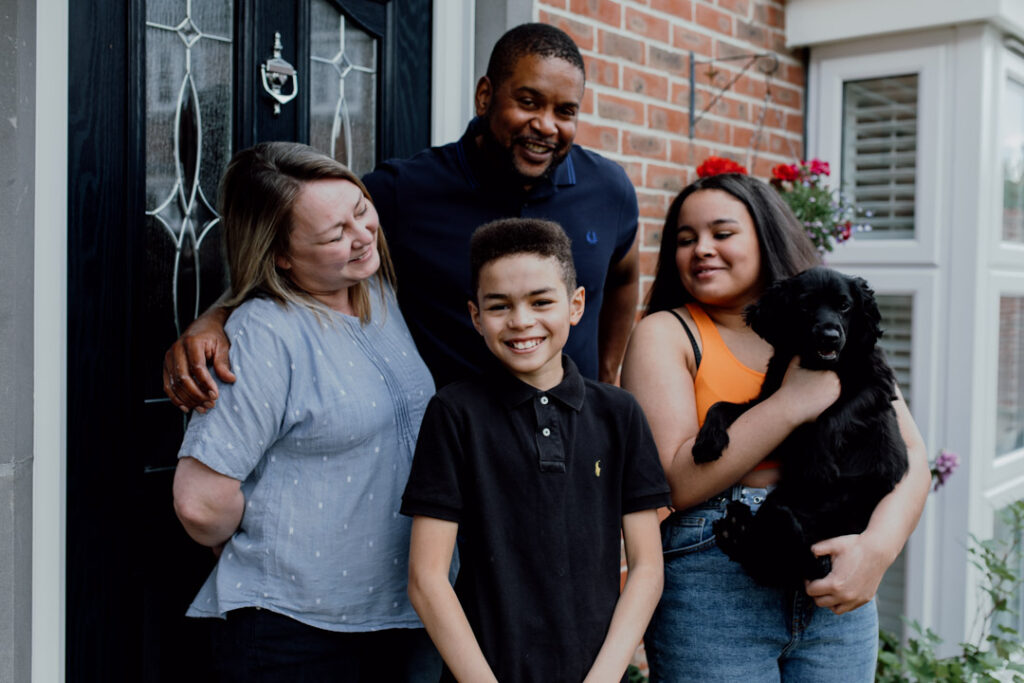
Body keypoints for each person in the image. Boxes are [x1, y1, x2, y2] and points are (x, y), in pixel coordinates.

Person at [162, 22, 639, 410]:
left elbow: (622, 275)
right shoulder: (402, 192)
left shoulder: (610, 190)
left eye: (566, 111)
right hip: (454, 459)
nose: (547, 126)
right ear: (485, 96)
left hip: (573, 448)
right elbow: (295, 248)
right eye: (529, 102)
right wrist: (218, 317)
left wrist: (610, 374)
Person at [619, 172, 930, 682]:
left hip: (838, 565)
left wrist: (878, 549)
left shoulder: (837, 331)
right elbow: (676, 481)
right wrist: (791, 403)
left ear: (765, 236)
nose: (701, 249)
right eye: (684, 238)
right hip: (717, 579)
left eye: (722, 233)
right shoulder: (667, 334)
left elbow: (913, 457)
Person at [171, 142, 441, 682]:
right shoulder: (264, 332)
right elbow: (200, 504)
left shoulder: (376, 292)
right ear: (282, 256)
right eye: (335, 234)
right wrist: (281, 541)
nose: (363, 236)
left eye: (360, 211)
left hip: (398, 615)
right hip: (296, 632)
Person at [401, 218, 669, 682]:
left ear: (576, 304)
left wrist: (604, 677)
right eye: (499, 306)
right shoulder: (454, 413)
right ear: (475, 316)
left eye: (541, 301)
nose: (521, 321)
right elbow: (427, 579)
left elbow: (647, 567)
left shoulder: (619, 413)